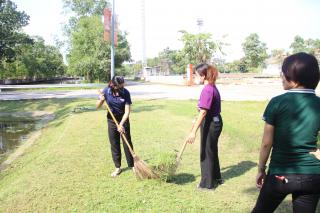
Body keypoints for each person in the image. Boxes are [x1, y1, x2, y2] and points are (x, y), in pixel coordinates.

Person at [252, 52, 320, 213]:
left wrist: (261, 169)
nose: (281, 77)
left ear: (294, 78)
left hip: (280, 173)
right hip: (313, 175)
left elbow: (266, 143)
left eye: (284, 73)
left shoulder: (277, 102)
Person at [186, 63, 223, 190]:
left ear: (203, 76)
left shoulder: (207, 89)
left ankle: (207, 184)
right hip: (215, 121)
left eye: (196, 75)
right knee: (212, 150)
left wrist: (193, 132)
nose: (195, 78)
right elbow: (204, 107)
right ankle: (216, 178)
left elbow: (203, 112)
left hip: (211, 123)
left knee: (206, 152)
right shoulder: (212, 87)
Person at [96, 76, 134, 177]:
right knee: (114, 143)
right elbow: (97, 106)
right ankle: (118, 167)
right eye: (120, 87)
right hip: (111, 120)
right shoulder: (106, 91)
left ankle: (132, 165)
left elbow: (127, 111)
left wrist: (121, 124)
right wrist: (101, 100)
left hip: (123, 119)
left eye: (123, 86)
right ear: (114, 86)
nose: (122, 88)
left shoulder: (126, 93)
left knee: (127, 143)